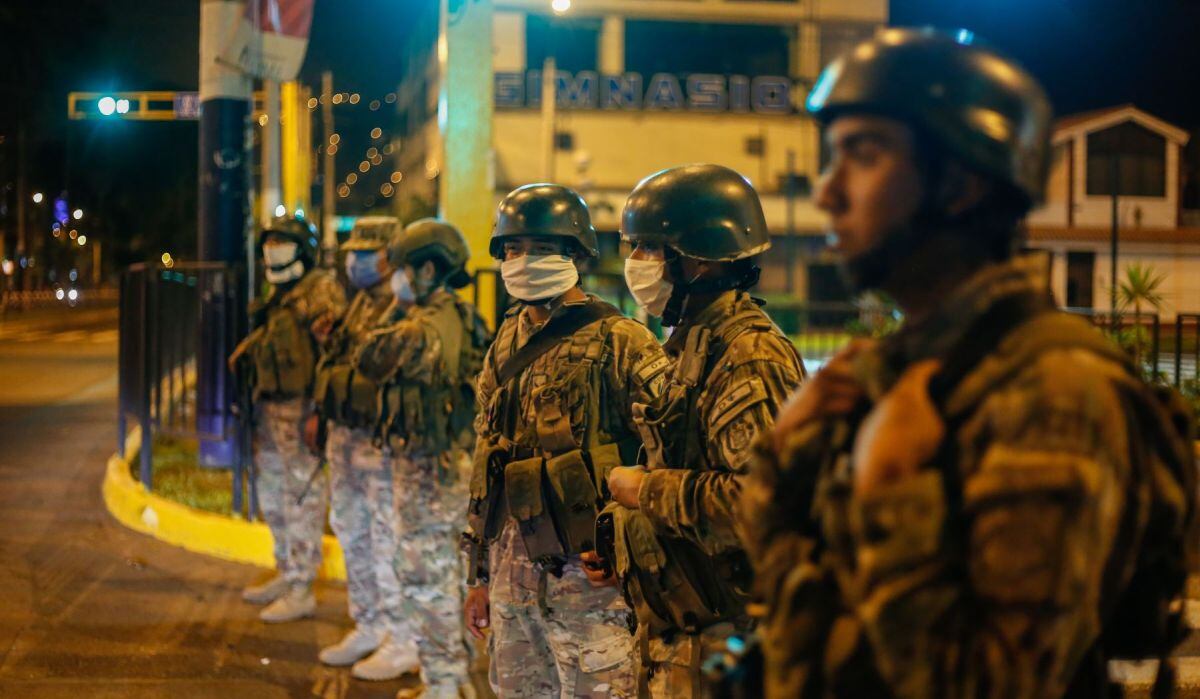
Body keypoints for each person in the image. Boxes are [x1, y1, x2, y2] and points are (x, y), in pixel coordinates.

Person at [742, 28, 1198, 698]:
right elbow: (799, 608)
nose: (827, 193)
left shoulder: (1053, 390)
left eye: (862, 156)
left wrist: (896, 485)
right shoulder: (895, 370)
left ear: (959, 184)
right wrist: (782, 460)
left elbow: (996, 682)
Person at [600, 164, 805, 696]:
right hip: (690, 626)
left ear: (697, 260)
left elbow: (760, 503)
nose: (636, 264)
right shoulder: (698, 344)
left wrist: (643, 489)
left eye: (649, 248)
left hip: (729, 639)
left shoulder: (747, 355)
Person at [461, 184, 669, 698]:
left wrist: (629, 544)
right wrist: (478, 574)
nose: (523, 261)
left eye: (540, 249)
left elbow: (669, 460)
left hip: (591, 584)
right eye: (513, 249)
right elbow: (488, 458)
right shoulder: (507, 338)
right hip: (514, 576)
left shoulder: (623, 341)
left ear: (575, 254)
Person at [353, 219, 491, 698]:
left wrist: (395, 308)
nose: (398, 280)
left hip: (430, 480)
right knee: (446, 581)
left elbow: (367, 355)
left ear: (428, 270)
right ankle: (453, 677)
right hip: (448, 474)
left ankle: (444, 684)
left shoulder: (424, 327)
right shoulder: (462, 316)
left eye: (404, 270)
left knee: (426, 582)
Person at [308, 220, 415, 680]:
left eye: (368, 252)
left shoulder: (404, 305)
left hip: (379, 442)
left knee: (387, 536)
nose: (358, 261)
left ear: (391, 254)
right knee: (352, 530)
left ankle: (403, 636)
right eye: (354, 252)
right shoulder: (359, 306)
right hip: (347, 439)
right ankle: (370, 623)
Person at [229, 214, 345, 623]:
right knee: (274, 496)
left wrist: (319, 411)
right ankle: (286, 569)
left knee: (301, 498)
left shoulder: (319, 290)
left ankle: (301, 587)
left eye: (282, 240)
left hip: (300, 412)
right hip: (269, 411)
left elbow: (332, 355)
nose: (273, 246)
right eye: (270, 240)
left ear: (302, 248)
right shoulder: (278, 293)